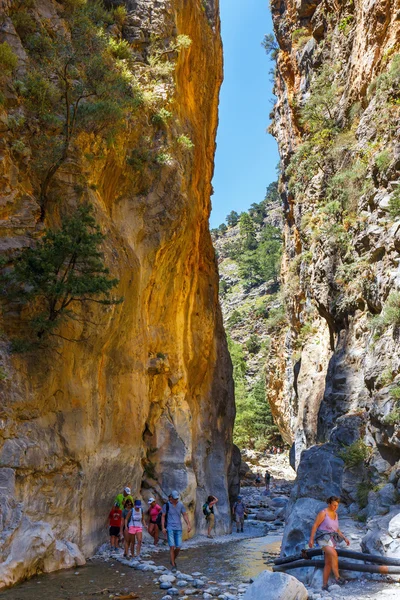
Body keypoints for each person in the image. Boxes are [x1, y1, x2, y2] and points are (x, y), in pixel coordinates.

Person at [309, 496, 350, 590]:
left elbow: (337, 529)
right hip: (322, 538)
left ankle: (324, 585)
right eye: (334, 505)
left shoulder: (335, 514)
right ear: (329, 504)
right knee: (333, 553)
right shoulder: (323, 513)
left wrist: (345, 538)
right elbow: (315, 525)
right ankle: (337, 577)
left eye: (337, 505)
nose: (335, 507)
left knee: (328, 562)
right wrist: (311, 539)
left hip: (332, 539)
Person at [161, 490, 191, 572]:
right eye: (175, 498)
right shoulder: (166, 505)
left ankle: (172, 559)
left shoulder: (180, 505)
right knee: (172, 546)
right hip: (170, 527)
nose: (176, 500)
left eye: (177, 498)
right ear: (171, 498)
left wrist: (188, 524)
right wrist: (163, 527)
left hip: (178, 528)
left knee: (178, 547)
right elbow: (163, 516)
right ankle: (173, 565)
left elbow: (184, 514)